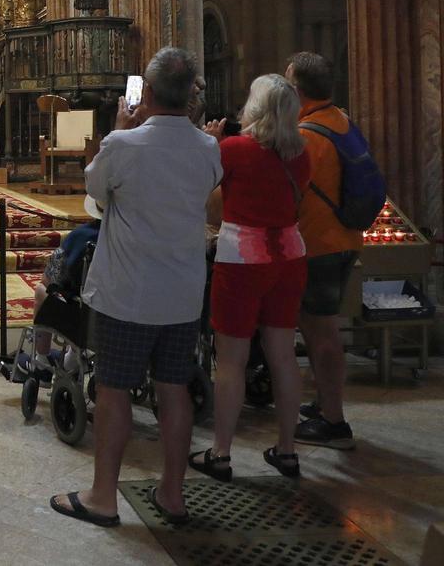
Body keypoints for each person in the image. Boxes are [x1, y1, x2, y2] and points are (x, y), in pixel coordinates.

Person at [50, 47, 221, 527]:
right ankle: (172, 494)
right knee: (173, 389)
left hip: (129, 292)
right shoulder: (209, 147)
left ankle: (104, 496)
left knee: (114, 389)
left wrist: (120, 130)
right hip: (183, 292)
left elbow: (96, 193)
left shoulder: (125, 146)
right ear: (191, 96)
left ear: (144, 93)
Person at [190, 75, 311, 482]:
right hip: (290, 255)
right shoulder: (301, 154)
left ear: (255, 106)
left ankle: (221, 452)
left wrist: (208, 143)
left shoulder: (235, 149)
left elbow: (205, 201)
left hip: (243, 257)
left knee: (232, 359)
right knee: (282, 354)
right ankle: (288, 450)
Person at [285, 52, 363, 449]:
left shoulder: (306, 137)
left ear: (297, 91)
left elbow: (292, 194)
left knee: (322, 331)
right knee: (317, 329)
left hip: (319, 245)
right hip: (345, 238)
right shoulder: (341, 120)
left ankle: (334, 421)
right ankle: (323, 403)